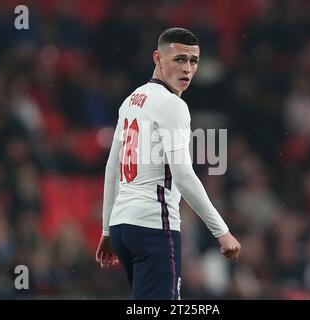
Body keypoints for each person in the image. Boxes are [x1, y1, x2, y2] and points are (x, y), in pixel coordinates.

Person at [95, 27, 241, 300]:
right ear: (157, 59)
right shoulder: (172, 105)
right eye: (179, 59)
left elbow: (112, 168)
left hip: (123, 229)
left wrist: (107, 229)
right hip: (154, 226)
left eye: (193, 61)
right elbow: (184, 176)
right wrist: (222, 232)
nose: (187, 69)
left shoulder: (131, 101)